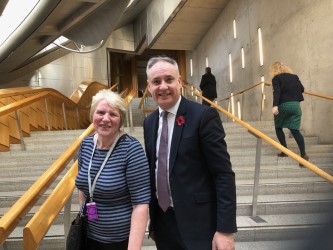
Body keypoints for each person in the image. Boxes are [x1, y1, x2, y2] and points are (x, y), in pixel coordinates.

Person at [143, 56, 237, 250]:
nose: (163, 87)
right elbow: (155, 170)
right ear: (149, 86)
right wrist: (153, 221)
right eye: (156, 82)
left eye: (169, 79)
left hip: (200, 226)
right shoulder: (149, 122)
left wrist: (225, 230)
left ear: (179, 81)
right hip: (163, 223)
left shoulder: (203, 116)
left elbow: (223, 174)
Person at [75, 89, 151, 250]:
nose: (105, 119)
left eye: (113, 114)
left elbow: (141, 205)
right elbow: (83, 186)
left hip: (119, 241)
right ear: (92, 115)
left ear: (121, 119)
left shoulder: (131, 149)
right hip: (88, 235)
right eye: (100, 112)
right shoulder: (86, 145)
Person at [270, 62, 309, 166]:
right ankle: (303, 155)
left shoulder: (276, 78)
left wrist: (275, 105)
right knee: (295, 130)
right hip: (296, 106)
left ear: (274, 70)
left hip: (283, 105)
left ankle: (285, 151)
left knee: (278, 127)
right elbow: (302, 89)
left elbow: (276, 92)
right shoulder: (294, 77)